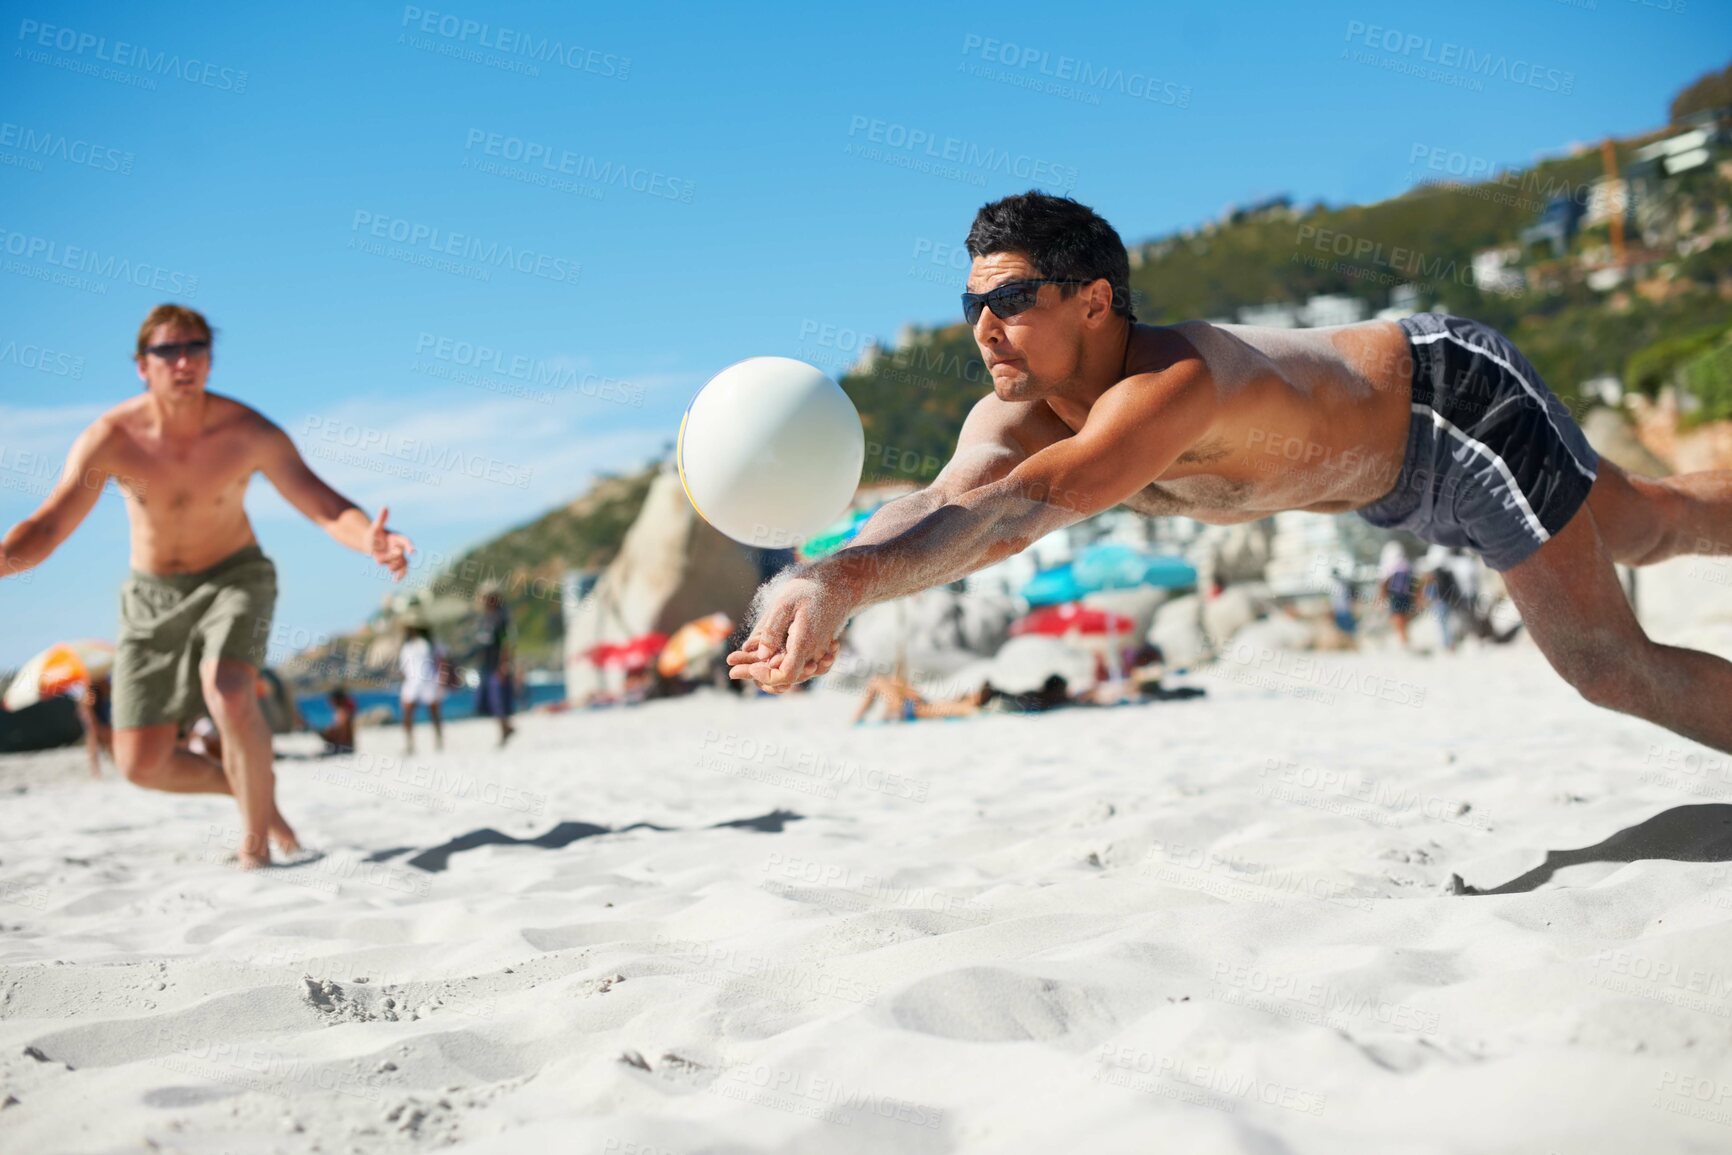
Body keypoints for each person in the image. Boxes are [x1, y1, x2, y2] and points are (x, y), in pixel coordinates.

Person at [729, 190, 1732, 754]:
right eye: (972, 305)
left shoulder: (1170, 385)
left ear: (1093, 302)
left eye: (1016, 297)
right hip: (1389, 480)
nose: (985, 325)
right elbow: (945, 502)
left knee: (1604, 664)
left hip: (1450, 409)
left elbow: (1014, 514)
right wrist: (816, 578)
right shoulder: (1014, 411)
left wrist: (850, 586)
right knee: (1649, 523)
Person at [0, 304, 414, 867]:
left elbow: (323, 503)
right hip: (151, 597)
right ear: (141, 366)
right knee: (141, 763)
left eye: (195, 348)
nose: (183, 361)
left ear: (211, 360)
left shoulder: (247, 432)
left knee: (229, 689)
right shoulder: (112, 438)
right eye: (167, 351)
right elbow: (49, 525)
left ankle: (254, 850)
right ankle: (256, 799)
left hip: (233, 577)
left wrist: (371, 539)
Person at [472, 583, 515, 746]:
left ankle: (504, 730)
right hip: (484, 665)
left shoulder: (502, 618)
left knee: (499, 701)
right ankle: (506, 728)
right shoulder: (482, 619)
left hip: (497, 665)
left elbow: (507, 643)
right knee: (485, 701)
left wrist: (504, 664)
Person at [397, 623, 447, 754]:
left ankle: (438, 739)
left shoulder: (430, 643)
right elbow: (404, 667)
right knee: (408, 713)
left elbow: (442, 660)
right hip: (412, 683)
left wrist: (442, 678)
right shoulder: (406, 646)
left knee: (434, 712)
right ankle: (409, 743)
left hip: (429, 681)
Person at [1379, 542, 1417, 649]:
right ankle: (1405, 639)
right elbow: (1414, 581)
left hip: (1395, 596)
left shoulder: (1389, 565)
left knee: (1397, 618)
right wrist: (1415, 597)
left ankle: (1403, 640)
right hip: (1406, 596)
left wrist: (1382, 598)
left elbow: (1383, 583)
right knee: (1404, 618)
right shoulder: (1407, 564)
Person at [318, 687, 357, 754]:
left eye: (331, 699)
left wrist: (323, 733)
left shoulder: (342, 713)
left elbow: (339, 735)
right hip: (348, 747)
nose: (330, 702)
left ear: (337, 700)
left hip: (344, 748)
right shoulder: (345, 712)